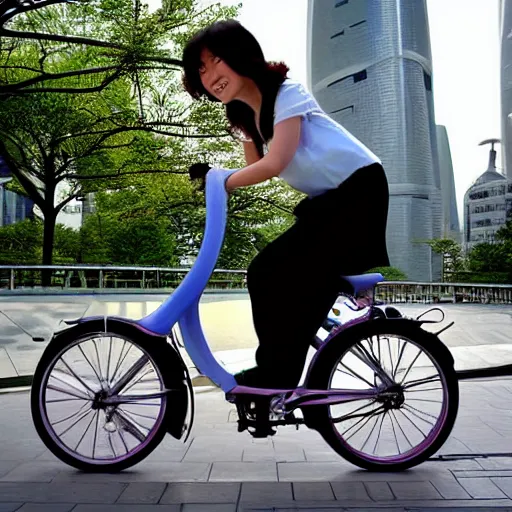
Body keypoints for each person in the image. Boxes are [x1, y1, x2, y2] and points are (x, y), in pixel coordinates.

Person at [182, 19, 390, 390]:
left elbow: (274, 163)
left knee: (289, 278)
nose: (210, 75)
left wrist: (219, 178)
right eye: (201, 70)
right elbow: (253, 170)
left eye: (216, 61)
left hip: (359, 193)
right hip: (328, 203)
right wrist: (219, 178)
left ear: (239, 55)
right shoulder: (244, 118)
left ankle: (278, 376)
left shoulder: (286, 93)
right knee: (263, 273)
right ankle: (276, 371)